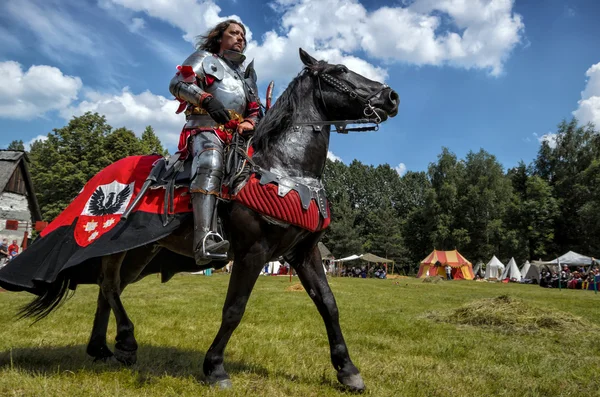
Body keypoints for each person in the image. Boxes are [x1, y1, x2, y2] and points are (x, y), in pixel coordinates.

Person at [169, 20, 262, 264]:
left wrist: (250, 123)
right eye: (234, 33)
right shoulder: (204, 58)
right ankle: (204, 240)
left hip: (238, 138)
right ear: (220, 37)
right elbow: (177, 84)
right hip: (205, 128)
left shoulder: (246, 79)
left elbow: (254, 110)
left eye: (243, 35)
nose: (240, 38)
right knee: (211, 161)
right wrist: (207, 100)